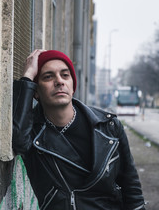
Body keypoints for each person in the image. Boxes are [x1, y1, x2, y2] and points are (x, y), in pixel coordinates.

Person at [12, 49, 146, 210]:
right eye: (48, 77)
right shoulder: (33, 134)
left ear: (72, 86)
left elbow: (131, 187)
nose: (59, 81)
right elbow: (18, 139)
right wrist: (27, 77)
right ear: (36, 92)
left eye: (65, 75)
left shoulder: (108, 126)